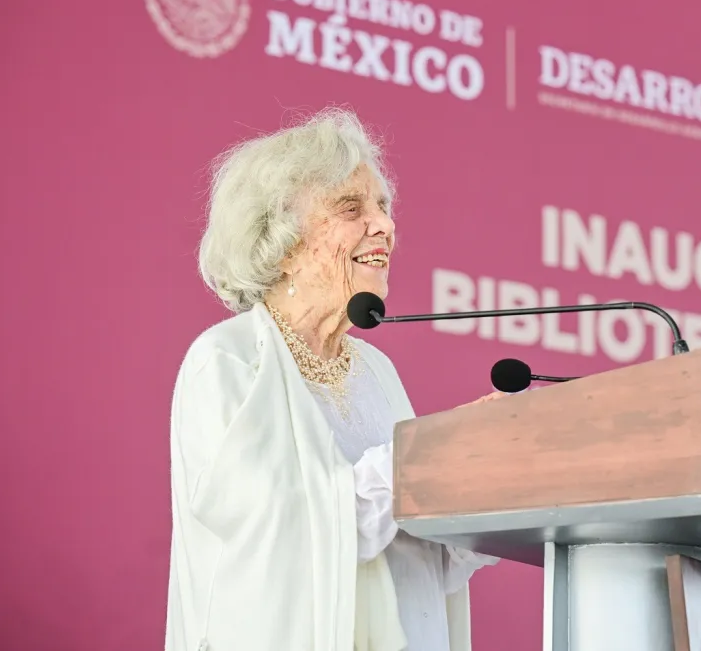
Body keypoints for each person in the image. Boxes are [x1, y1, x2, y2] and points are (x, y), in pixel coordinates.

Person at [165, 107, 500, 651]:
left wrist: (475, 478)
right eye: (351, 208)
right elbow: (276, 542)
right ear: (284, 242)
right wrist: (422, 457)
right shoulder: (228, 362)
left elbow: (408, 549)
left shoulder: (375, 370)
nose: (386, 226)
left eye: (384, 207)